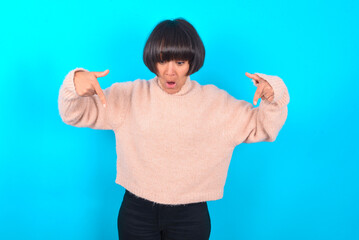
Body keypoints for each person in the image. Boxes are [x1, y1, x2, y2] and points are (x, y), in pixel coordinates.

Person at [58, 18, 289, 240]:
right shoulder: (129, 96)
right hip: (136, 212)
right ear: (153, 61)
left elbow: (265, 127)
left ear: (191, 62)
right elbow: (73, 114)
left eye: (179, 63)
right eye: (163, 61)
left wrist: (274, 95)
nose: (170, 72)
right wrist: (73, 84)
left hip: (190, 216)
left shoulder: (217, 103)